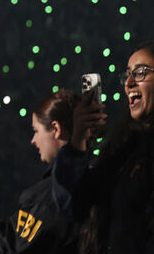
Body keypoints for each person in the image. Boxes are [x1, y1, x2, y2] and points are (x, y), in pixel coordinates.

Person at [52, 42, 154, 253]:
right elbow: (74, 207)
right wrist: (79, 141)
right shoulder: (125, 147)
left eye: (141, 72)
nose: (129, 83)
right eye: (127, 75)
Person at [0, 89, 79, 253]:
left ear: (55, 129)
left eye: (36, 131)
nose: (33, 141)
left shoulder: (52, 197)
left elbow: (11, 247)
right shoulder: (96, 175)